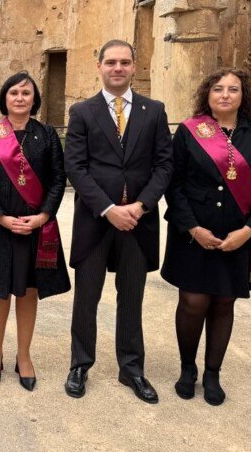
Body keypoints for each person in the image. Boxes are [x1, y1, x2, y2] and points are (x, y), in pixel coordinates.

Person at [161, 68, 251, 405]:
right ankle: (187, 369)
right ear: (208, 94)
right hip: (193, 234)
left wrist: (248, 232)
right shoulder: (189, 131)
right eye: (218, 89)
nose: (225, 95)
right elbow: (174, 185)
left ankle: (213, 373)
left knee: (224, 302)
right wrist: (193, 228)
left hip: (237, 235)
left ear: (244, 95)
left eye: (233, 89)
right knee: (193, 302)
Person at [63, 39, 173, 403]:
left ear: (134, 67)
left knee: (131, 298)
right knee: (87, 297)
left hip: (138, 222)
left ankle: (132, 368)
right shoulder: (82, 112)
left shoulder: (154, 111)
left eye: (124, 62)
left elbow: (164, 165)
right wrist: (109, 209)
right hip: (96, 221)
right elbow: (75, 167)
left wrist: (140, 206)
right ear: (99, 66)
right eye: (111, 62)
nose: (118, 68)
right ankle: (80, 364)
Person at [0, 72, 70, 391]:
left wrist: (43, 216)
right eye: (14, 92)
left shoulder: (47, 135)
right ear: (5, 97)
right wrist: (0, 216)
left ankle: (23, 355)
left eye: (26, 93)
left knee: (28, 291)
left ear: (34, 99)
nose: (20, 98)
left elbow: (58, 179)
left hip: (35, 228)